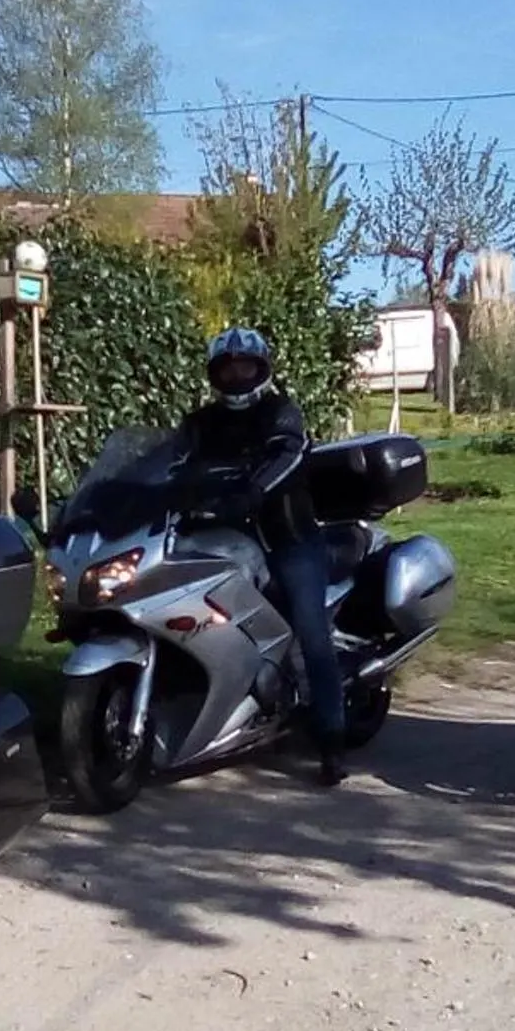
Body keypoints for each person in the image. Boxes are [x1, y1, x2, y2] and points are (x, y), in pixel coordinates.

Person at [175, 325, 348, 785]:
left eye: (245, 365)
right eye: (228, 367)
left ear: (261, 369)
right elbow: (167, 463)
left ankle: (331, 737)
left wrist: (253, 493)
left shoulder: (280, 411)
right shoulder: (200, 423)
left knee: (311, 630)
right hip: (224, 540)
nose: (236, 374)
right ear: (216, 373)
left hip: (289, 538)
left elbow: (289, 456)